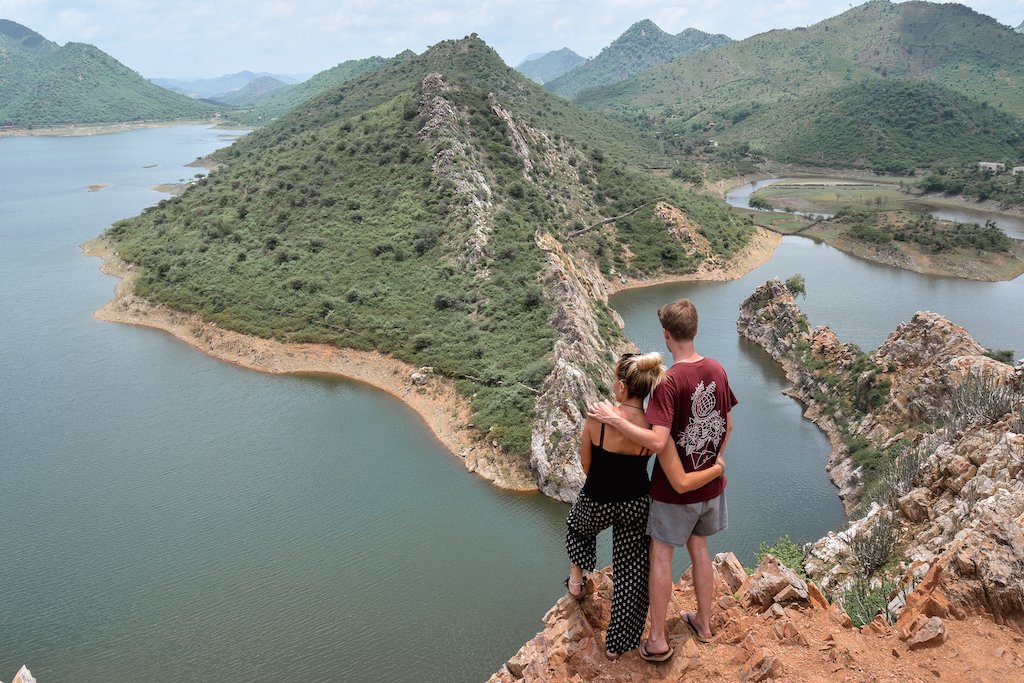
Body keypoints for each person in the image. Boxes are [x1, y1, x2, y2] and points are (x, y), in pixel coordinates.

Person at [588, 299, 736, 662]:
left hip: (674, 493)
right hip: (711, 488)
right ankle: (703, 623)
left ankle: (657, 640)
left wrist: (614, 420)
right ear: (695, 330)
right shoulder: (716, 369)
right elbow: (728, 425)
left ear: (667, 335)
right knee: (700, 551)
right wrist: (715, 459)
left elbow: (656, 440)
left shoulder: (668, 382)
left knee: (661, 558)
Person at [565, 351, 725, 660]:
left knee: (577, 527)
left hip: (597, 499)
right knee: (631, 573)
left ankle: (575, 582)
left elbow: (586, 466)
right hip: (637, 505)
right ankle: (618, 645)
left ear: (623, 387)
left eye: (614, 380)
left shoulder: (598, 418)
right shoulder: (652, 429)